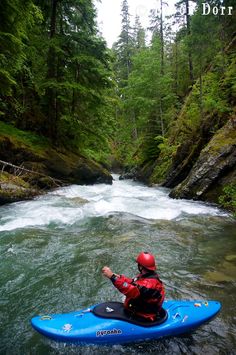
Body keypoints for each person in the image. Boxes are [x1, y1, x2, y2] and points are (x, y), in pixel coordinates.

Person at [102, 251, 165, 322]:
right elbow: (133, 282)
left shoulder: (147, 286)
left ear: (141, 267)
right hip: (143, 308)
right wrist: (118, 277)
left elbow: (128, 288)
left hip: (144, 316)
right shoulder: (147, 276)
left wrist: (112, 277)